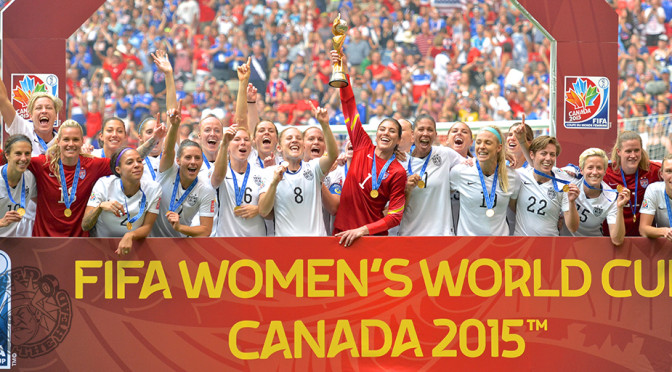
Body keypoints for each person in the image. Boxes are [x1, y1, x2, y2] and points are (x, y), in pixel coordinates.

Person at [330, 50, 407, 246]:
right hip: (341, 234)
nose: (386, 133)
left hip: (372, 240)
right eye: (382, 129)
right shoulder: (362, 145)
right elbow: (349, 106)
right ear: (376, 133)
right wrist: (343, 70)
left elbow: (395, 217)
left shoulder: (398, 171)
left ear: (398, 140)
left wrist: (363, 230)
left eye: (392, 131)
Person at [258, 104, 338, 236]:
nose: (294, 140)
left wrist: (325, 125)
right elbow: (263, 211)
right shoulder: (269, 172)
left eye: (298, 138)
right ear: (279, 148)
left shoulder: (313, 168)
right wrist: (274, 184)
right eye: (289, 138)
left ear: (303, 145)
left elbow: (332, 155)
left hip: (316, 245)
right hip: (287, 248)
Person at [27, 120, 112, 236]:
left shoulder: (93, 165)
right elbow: (11, 158)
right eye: (66, 139)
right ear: (58, 141)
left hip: (78, 244)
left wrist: (146, 142)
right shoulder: (42, 164)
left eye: (76, 139)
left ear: (82, 141)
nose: (71, 144)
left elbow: (127, 162)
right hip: (43, 242)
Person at [82, 147, 161, 255]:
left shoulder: (154, 189)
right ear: (118, 169)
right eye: (130, 162)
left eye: (139, 161)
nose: (137, 165)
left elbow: (147, 226)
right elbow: (85, 225)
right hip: (100, 250)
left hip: (134, 249)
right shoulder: (104, 184)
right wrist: (100, 207)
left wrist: (130, 235)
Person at [152, 104, 216, 237]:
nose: (193, 161)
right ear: (178, 160)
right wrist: (174, 126)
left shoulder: (206, 189)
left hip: (180, 247)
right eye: (188, 157)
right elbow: (168, 151)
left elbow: (206, 230)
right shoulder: (168, 171)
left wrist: (180, 227)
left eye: (197, 158)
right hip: (151, 242)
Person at [399, 114, 464, 236]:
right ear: (412, 134)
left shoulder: (445, 154)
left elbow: (472, 164)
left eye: (430, 130)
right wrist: (406, 190)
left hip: (441, 236)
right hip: (410, 236)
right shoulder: (400, 162)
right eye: (421, 129)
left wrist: (503, 156)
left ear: (435, 135)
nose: (425, 133)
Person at [450, 126, 520, 236]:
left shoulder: (512, 177)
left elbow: (517, 209)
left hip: (499, 247)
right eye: (478, 142)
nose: (482, 147)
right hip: (467, 246)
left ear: (498, 148)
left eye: (488, 143)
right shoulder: (460, 172)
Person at [510, 135, 579, 236]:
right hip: (522, 245)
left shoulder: (562, 185)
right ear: (532, 155)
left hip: (549, 246)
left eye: (552, 154)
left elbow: (573, 228)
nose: (548, 158)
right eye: (543, 153)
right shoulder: (519, 176)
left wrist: (572, 202)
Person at [561, 148, 629, 245]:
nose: (595, 172)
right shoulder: (569, 182)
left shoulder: (611, 197)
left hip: (593, 246)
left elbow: (617, 240)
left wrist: (620, 208)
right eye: (590, 167)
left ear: (605, 171)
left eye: (599, 168)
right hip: (564, 245)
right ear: (581, 170)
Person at [604, 131, 661, 236]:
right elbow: (584, 171)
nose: (633, 155)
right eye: (628, 151)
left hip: (643, 239)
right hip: (611, 237)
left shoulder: (654, 170)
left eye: (636, 150)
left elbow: (668, 169)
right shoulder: (606, 171)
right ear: (619, 151)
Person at [0, 77, 63, 156]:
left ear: (56, 116)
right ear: (31, 115)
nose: (44, 111)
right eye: (38, 108)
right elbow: (2, 99)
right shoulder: (22, 128)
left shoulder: (63, 141)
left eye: (48, 107)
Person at [0, 135, 37, 237]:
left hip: (14, 242)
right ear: (7, 155)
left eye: (27, 153)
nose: (23, 158)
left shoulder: (30, 178)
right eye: (18, 154)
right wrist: (1, 222)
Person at [639, 154, 672, 241]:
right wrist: (665, 231)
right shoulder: (653, 190)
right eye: (669, 171)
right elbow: (643, 229)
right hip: (663, 244)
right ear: (661, 174)